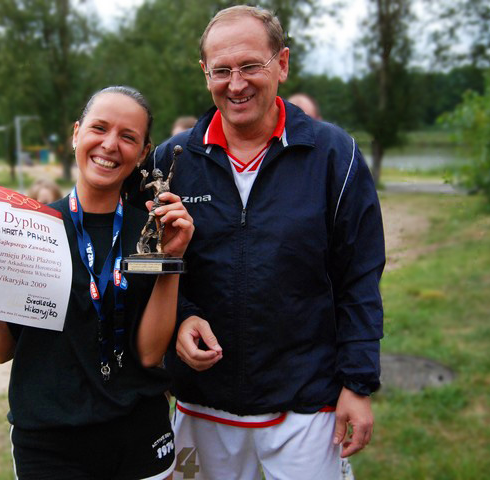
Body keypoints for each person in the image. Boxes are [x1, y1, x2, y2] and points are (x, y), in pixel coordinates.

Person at [153, 6, 385, 480]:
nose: (236, 84)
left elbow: (359, 276)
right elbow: (150, 266)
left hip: (307, 404)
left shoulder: (335, 155)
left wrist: (358, 383)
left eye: (250, 66)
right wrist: (179, 319)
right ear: (205, 73)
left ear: (281, 63)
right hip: (202, 402)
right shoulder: (171, 160)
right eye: (222, 70)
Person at [0, 86, 194, 479]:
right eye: (99, 128)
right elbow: (2, 348)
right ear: (76, 133)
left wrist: (172, 260)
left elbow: (148, 354)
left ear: (144, 152)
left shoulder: (151, 232)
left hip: (139, 437)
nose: (110, 144)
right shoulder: (28, 230)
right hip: (50, 444)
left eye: (128, 136)